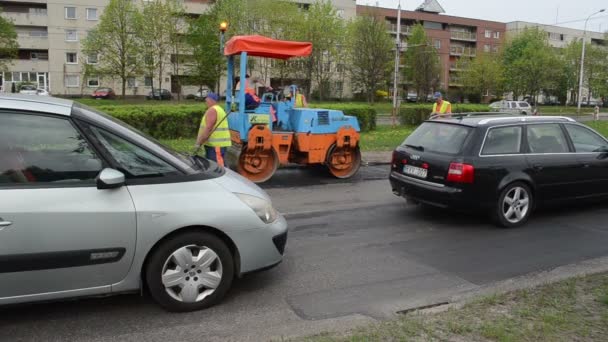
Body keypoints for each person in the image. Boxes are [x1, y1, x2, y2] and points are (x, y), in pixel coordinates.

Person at [193, 92, 231, 167]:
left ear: (211, 100)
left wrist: (199, 143)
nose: (205, 101)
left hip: (215, 146)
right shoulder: (219, 109)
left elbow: (208, 128)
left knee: (218, 168)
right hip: (216, 145)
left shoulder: (213, 110)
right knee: (215, 166)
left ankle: (224, 179)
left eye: (206, 99)